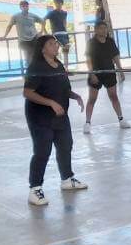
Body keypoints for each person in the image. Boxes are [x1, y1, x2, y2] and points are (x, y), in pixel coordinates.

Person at [23, 35, 87, 206]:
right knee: (42, 151)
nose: (55, 46)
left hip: (60, 114)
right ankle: (35, 188)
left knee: (66, 145)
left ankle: (67, 179)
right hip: (40, 116)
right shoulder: (37, 67)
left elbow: (64, 88)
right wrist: (50, 102)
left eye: (56, 43)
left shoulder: (58, 64)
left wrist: (75, 96)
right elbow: (28, 93)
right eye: (51, 44)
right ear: (43, 48)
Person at [83, 21, 131, 134]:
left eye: (105, 28)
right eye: (101, 28)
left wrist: (120, 70)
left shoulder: (110, 41)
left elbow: (115, 56)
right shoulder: (91, 43)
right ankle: (87, 122)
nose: (104, 30)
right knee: (92, 99)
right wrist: (92, 73)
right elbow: (88, 60)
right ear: (95, 30)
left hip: (109, 72)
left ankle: (121, 119)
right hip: (96, 73)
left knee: (113, 96)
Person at [0, 0, 45, 65]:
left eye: (26, 6)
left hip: (34, 38)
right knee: (28, 55)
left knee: (35, 55)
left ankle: (34, 70)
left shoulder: (33, 15)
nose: (25, 7)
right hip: (23, 40)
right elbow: (9, 26)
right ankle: (29, 70)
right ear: (20, 7)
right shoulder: (15, 16)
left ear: (28, 7)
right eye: (23, 6)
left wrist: (41, 32)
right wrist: (4, 36)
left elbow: (43, 21)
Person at [45, 0, 70, 67]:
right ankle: (56, 67)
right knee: (55, 50)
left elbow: (65, 21)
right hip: (56, 33)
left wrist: (66, 30)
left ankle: (66, 68)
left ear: (62, 3)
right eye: (56, 3)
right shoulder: (51, 13)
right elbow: (43, 20)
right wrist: (45, 31)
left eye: (59, 3)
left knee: (66, 49)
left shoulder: (64, 13)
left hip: (64, 33)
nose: (58, 4)